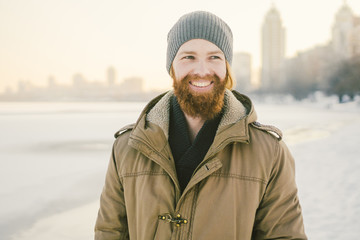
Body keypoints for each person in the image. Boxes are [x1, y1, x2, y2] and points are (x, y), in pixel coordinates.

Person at [95, 11, 307, 240]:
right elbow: (110, 232)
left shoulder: (269, 152)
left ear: (227, 67)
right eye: (189, 57)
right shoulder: (127, 148)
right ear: (172, 67)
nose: (202, 70)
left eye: (214, 57)